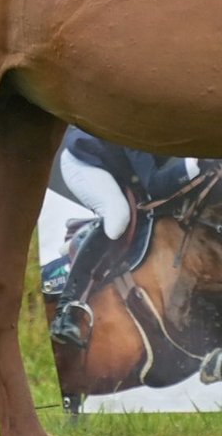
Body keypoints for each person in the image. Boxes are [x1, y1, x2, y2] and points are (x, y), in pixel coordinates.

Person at [49, 127, 204, 347]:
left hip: (122, 168)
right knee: (117, 217)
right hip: (86, 163)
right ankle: (67, 309)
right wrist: (196, 163)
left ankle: (93, 231)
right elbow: (155, 186)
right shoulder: (142, 124)